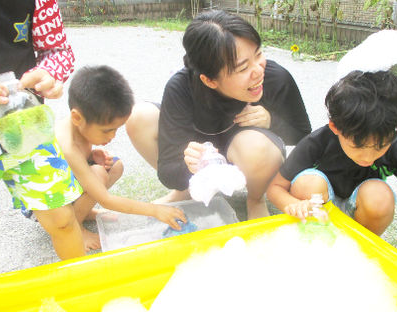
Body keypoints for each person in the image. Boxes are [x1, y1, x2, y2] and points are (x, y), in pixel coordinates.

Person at [126, 10, 312, 219]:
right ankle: (187, 190)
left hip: (244, 153)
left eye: (258, 54)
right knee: (139, 118)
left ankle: (255, 199)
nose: (258, 70)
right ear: (209, 80)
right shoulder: (181, 87)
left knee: (256, 147)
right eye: (243, 68)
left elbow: (303, 134)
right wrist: (189, 165)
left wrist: (271, 121)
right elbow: (168, 171)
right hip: (203, 156)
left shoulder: (275, 77)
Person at [0, 0, 82, 281]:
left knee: (62, 219)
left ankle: (85, 297)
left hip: (28, 130)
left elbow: (58, 50)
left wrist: (50, 73)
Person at [266, 70, 397, 235]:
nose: (368, 157)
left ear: (394, 131)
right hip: (318, 208)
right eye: (358, 147)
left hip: (360, 210)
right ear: (335, 127)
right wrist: (292, 204)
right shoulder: (317, 142)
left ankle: (359, 245)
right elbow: (276, 188)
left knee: (379, 197)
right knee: (308, 184)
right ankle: (314, 240)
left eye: (380, 146)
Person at [55, 65, 186, 242]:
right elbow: (106, 199)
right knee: (99, 174)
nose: (112, 136)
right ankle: (75, 227)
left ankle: (83, 212)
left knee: (115, 166)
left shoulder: (79, 125)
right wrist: (154, 210)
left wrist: (91, 155)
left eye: (116, 129)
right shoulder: (67, 145)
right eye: (106, 131)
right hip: (51, 201)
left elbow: (77, 164)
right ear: (77, 117)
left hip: (69, 184)